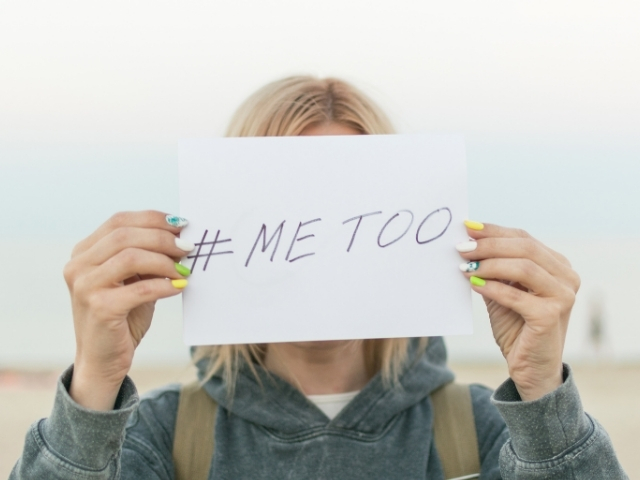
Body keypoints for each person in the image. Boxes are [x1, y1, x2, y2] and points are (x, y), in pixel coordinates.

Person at [10, 76, 627, 479]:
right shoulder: (159, 437)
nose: (315, 244)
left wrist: (543, 390)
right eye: (286, 209)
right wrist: (94, 381)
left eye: (352, 211)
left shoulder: (491, 431)